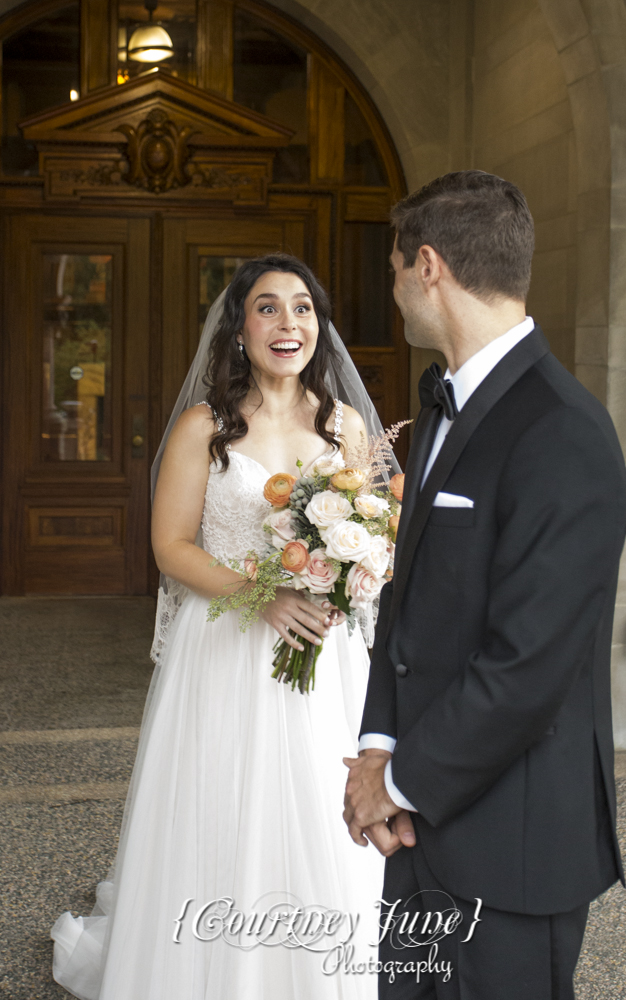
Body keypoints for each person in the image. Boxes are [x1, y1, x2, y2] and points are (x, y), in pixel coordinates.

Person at [50, 253, 388, 999]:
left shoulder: (347, 426)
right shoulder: (205, 426)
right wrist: (260, 595)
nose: (287, 323)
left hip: (320, 653)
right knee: (222, 801)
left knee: (314, 796)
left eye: (302, 308)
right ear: (239, 327)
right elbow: (170, 547)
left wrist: (352, 570)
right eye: (267, 307)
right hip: (226, 644)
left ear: (318, 328)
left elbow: (368, 533)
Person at [343, 171, 626, 999]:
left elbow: (527, 668)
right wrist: (379, 750)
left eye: (396, 269)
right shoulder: (440, 407)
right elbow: (408, 605)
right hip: (417, 825)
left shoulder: (563, 431)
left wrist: (392, 785)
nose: (393, 290)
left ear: (427, 265)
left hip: (513, 845)